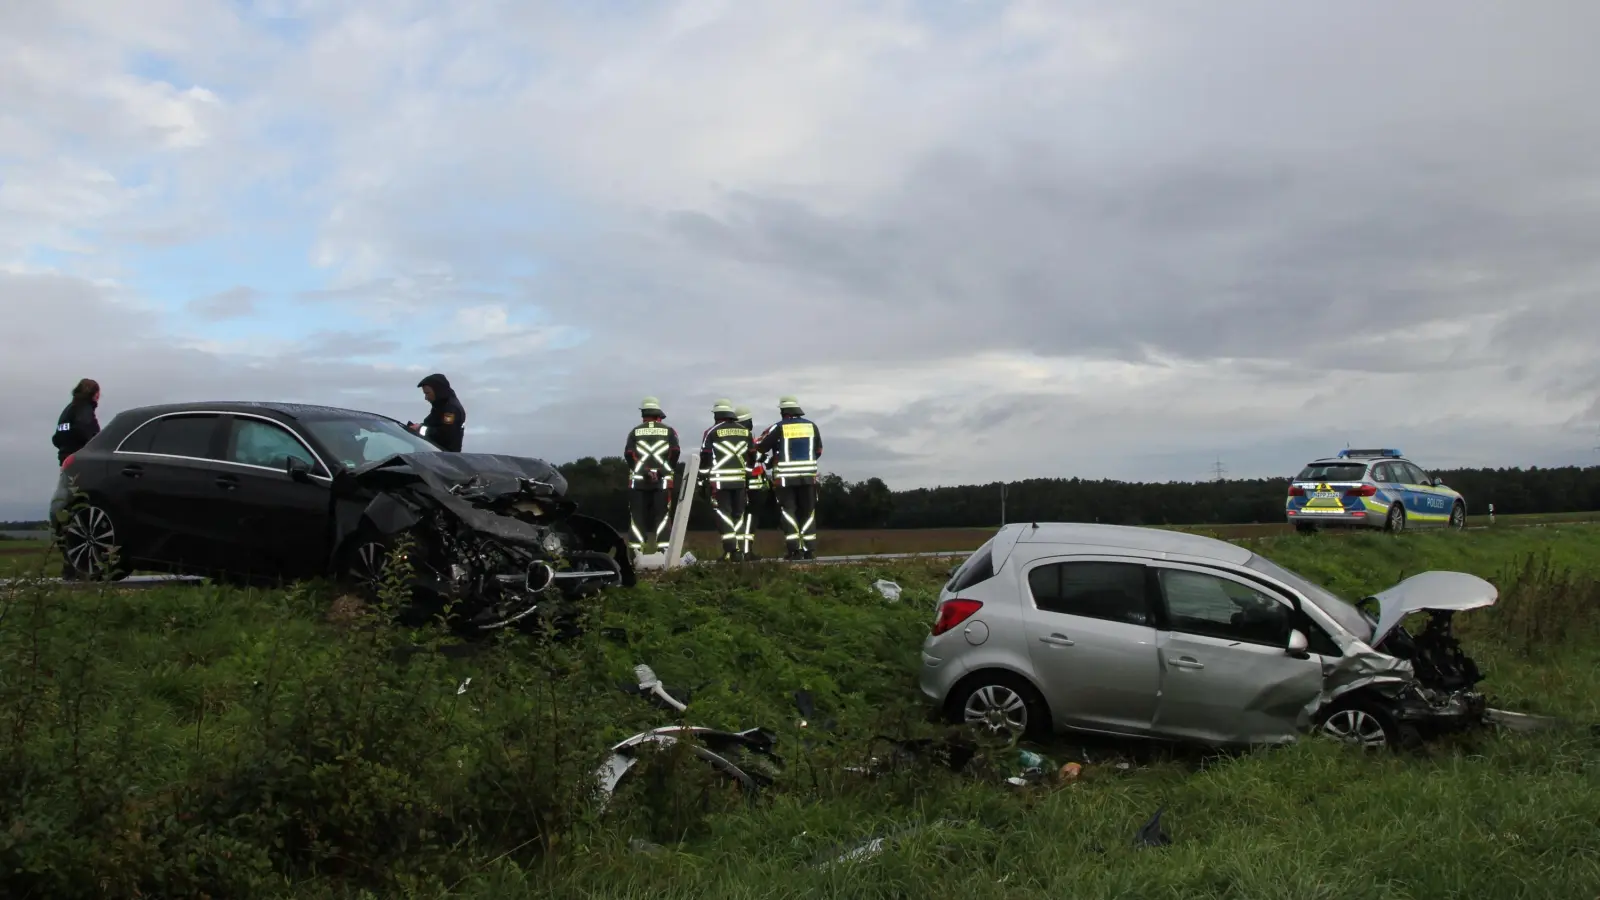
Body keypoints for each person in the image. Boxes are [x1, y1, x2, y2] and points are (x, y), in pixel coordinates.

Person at [755, 395, 822, 560]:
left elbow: (759, 447)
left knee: (788, 512)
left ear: (783, 411)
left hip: (785, 479)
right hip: (808, 478)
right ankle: (809, 550)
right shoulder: (812, 426)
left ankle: (794, 550)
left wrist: (770, 460)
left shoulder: (778, 427)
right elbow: (818, 451)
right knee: (807, 512)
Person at [623, 397, 681, 556]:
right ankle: (663, 552)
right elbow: (675, 452)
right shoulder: (669, 431)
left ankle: (635, 553)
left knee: (637, 518)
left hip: (638, 483)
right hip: (662, 483)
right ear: (658, 415)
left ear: (643, 414)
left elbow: (629, 454)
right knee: (662, 517)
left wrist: (643, 472)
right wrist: (661, 472)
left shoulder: (635, 431)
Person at [700, 398, 754, 561]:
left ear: (716, 415)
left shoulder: (711, 432)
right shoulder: (745, 432)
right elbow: (752, 455)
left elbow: (706, 457)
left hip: (719, 482)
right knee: (738, 515)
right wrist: (748, 474)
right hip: (739, 481)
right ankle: (736, 551)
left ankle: (731, 550)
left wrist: (702, 479)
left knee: (723, 514)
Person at [734, 405, 766, 559]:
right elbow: (759, 456)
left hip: (738, 484)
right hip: (752, 486)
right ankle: (745, 551)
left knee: (738, 516)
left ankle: (738, 550)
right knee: (749, 518)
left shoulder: (735, 440)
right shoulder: (750, 441)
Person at [407, 373, 466, 452]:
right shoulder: (440, 406)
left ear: (438, 391)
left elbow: (445, 435)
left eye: (427, 393)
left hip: (443, 459)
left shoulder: (451, 410)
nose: (426, 398)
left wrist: (419, 428)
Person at [53, 378, 101, 465]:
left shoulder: (68, 410)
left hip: (65, 459)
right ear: (94, 394)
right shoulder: (84, 409)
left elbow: (57, 438)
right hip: (81, 459)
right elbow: (85, 431)